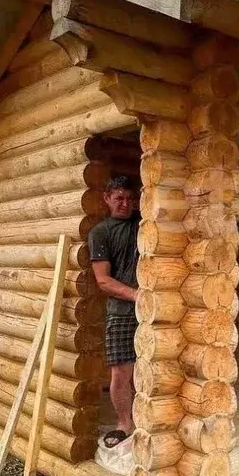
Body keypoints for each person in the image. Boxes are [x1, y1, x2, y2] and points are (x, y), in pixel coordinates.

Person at [88, 175, 139, 448]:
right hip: (121, 311)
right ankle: (124, 424)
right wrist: (137, 295)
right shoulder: (101, 232)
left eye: (130, 199)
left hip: (152, 310)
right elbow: (103, 281)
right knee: (121, 372)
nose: (125, 204)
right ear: (107, 199)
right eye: (119, 198)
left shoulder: (143, 223)